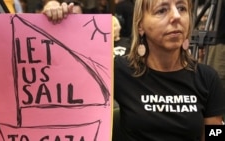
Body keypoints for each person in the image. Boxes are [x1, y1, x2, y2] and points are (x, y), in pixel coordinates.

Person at [42, 0, 225, 141]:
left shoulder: (207, 78)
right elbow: (61, 79)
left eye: (182, 8)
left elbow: (216, 134)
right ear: (140, 26)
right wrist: (56, 23)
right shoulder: (120, 70)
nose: (176, 16)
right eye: (162, 10)